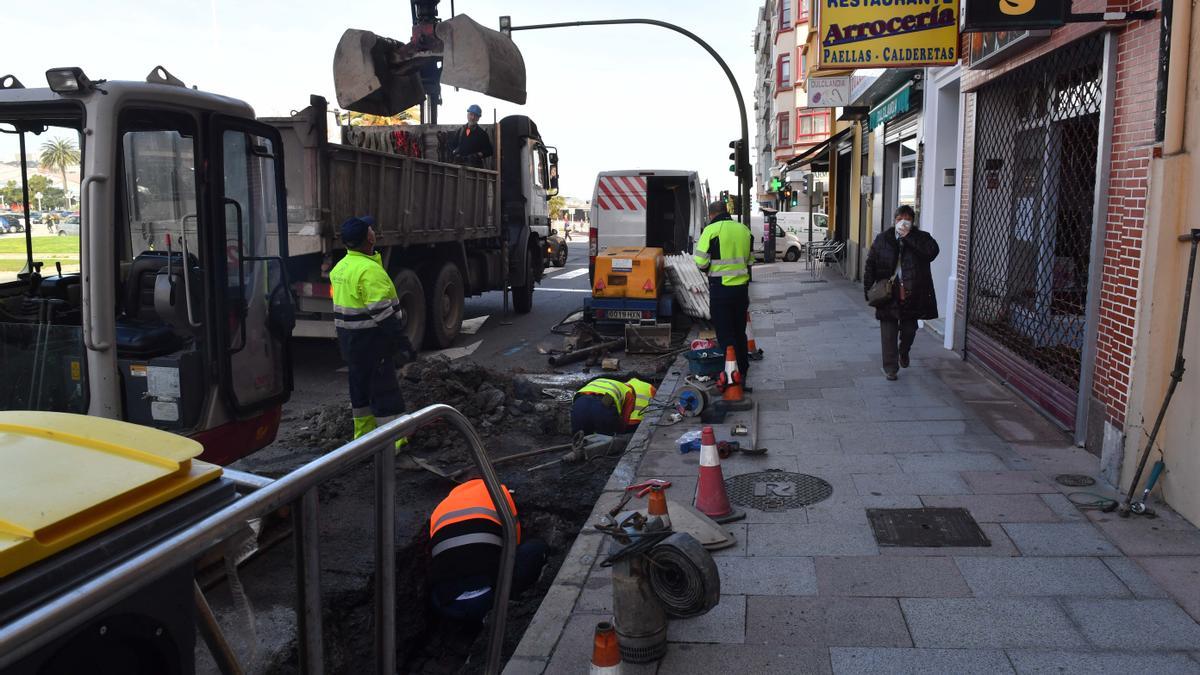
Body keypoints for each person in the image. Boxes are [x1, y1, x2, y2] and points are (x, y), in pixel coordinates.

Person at [329, 215, 417, 440]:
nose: (373, 231)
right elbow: (384, 315)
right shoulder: (370, 271)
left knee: (359, 393)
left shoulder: (340, 268)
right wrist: (403, 344)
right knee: (385, 393)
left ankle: (364, 439)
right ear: (369, 238)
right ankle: (395, 442)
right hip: (372, 344)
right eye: (370, 229)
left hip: (350, 344)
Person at [429, 479, 548, 623]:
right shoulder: (499, 495)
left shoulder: (441, 507)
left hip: (444, 604)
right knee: (535, 547)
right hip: (488, 598)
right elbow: (513, 541)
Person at [863, 205, 940, 381]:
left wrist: (909, 237)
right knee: (888, 333)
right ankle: (890, 368)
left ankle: (904, 351)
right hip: (888, 294)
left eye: (907, 220)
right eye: (899, 219)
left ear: (912, 222)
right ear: (895, 220)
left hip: (912, 294)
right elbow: (870, 264)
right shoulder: (883, 239)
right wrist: (868, 289)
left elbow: (932, 252)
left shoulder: (922, 238)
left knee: (909, 330)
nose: (902, 223)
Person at [694, 200, 753, 383]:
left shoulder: (710, 231)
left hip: (721, 290)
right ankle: (742, 371)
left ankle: (730, 375)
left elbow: (701, 263)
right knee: (739, 332)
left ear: (711, 215)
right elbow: (749, 261)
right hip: (741, 291)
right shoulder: (744, 230)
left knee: (725, 334)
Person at [570, 377, 657, 435]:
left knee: (580, 437)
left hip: (579, 404)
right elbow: (624, 420)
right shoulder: (629, 392)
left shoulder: (605, 382)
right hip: (601, 407)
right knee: (603, 440)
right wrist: (619, 432)